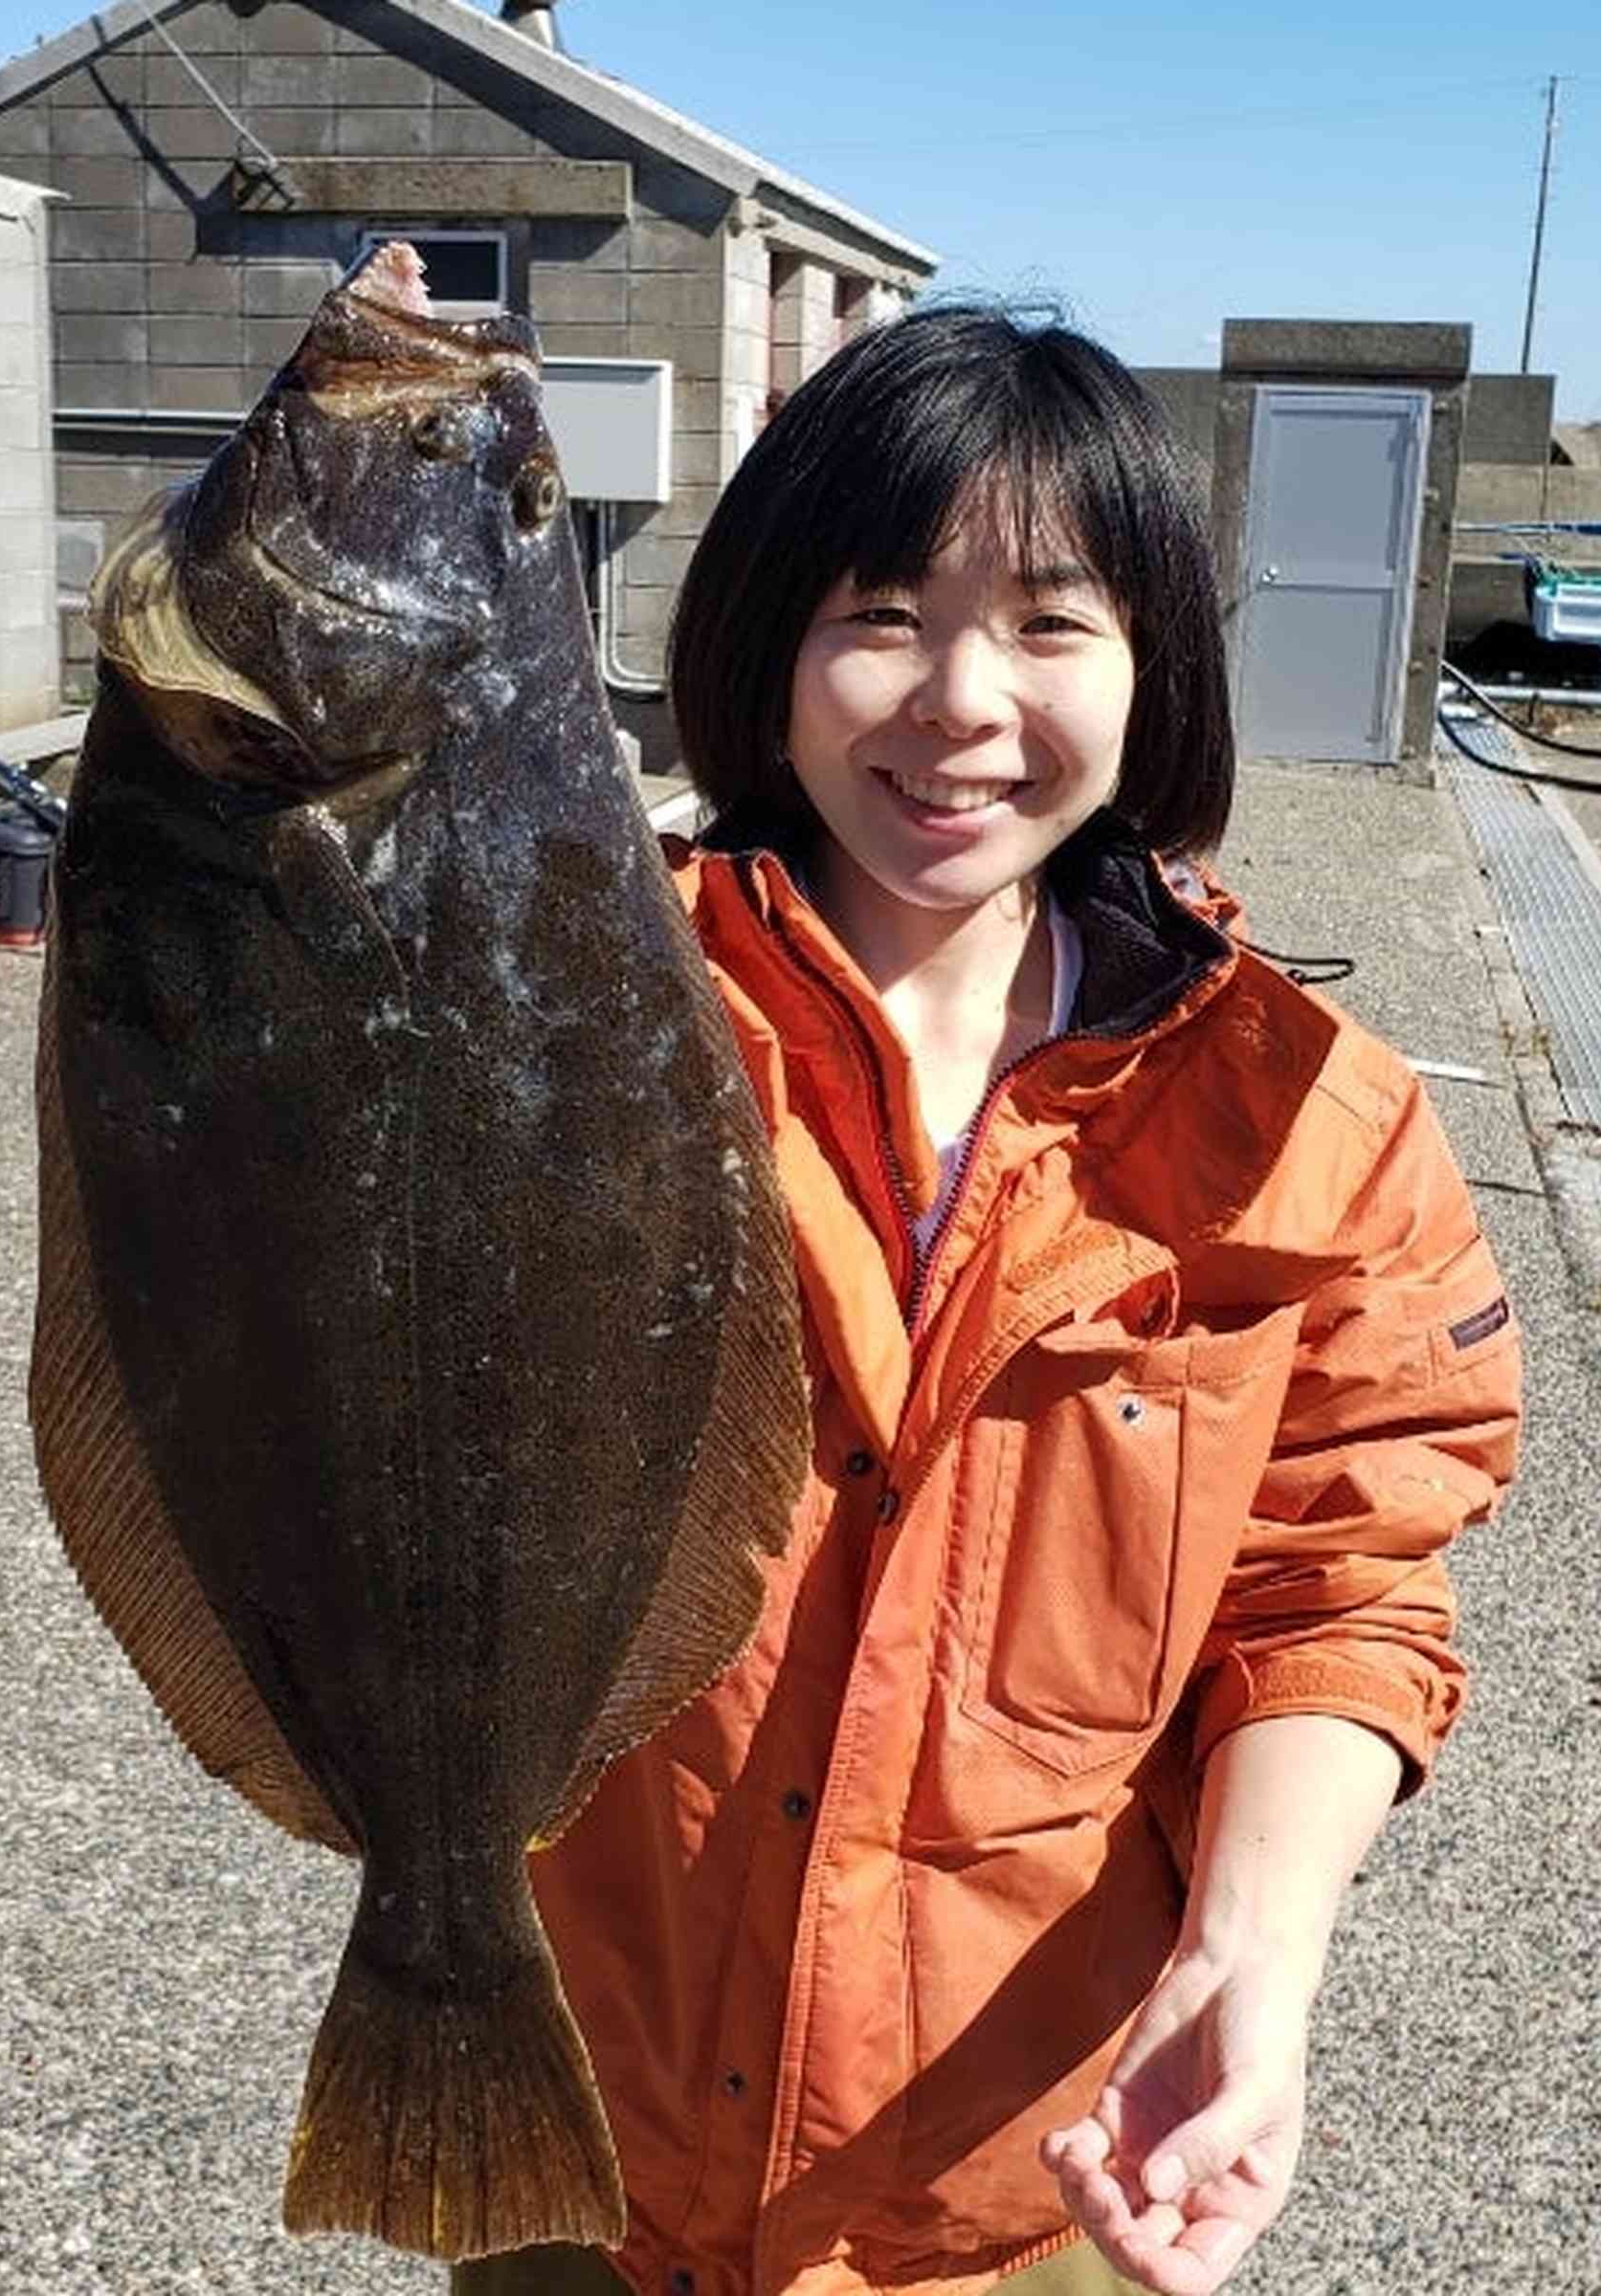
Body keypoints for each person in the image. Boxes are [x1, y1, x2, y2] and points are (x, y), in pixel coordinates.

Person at [456, 308, 1523, 2296]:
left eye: (1050, 624)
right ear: (765, 648)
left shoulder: (1308, 1118)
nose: (958, 701)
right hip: (571, 2146)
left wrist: (1251, 1953)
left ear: (1154, 674)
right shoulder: (544, 1017)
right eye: (878, 611)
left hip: (1017, 2184)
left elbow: (1344, 1580)